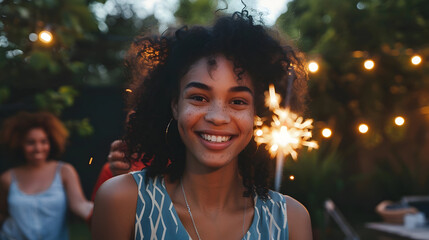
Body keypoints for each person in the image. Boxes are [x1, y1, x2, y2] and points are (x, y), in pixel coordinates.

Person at [92, 11, 312, 240]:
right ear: (175, 105)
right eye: (199, 97)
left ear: (257, 114)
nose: (218, 117)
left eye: (238, 102)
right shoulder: (123, 201)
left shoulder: (290, 220)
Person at [0, 111, 94, 240]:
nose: (38, 148)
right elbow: (2, 214)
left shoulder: (64, 171)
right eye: (31, 142)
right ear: (19, 144)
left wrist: (101, 212)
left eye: (43, 141)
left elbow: (79, 204)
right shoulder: (7, 178)